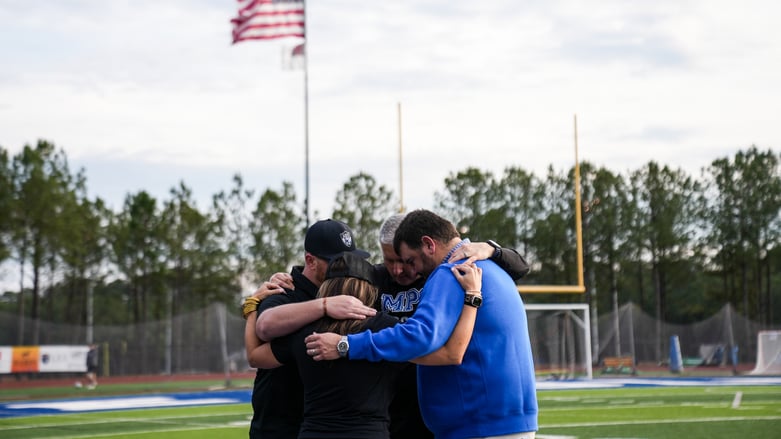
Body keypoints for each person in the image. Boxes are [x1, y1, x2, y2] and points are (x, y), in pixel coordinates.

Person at [256, 213, 531, 438]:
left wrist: (493, 250)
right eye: (391, 261)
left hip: (443, 418)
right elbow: (449, 352)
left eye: (407, 261)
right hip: (389, 421)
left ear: (428, 245)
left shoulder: (446, 272)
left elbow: (257, 352)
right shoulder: (373, 290)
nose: (401, 270)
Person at [248, 252, 482, 439]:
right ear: (370, 289)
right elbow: (450, 353)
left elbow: (255, 356)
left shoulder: (303, 330)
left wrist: (252, 306)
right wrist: (472, 297)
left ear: (326, 288)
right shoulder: (385, 327)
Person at [243, 219, 378, 439]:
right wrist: (323, 306)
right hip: (279, 427)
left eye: (349, 259)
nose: (344, 266)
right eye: (336, 261)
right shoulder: (283, 291)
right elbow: (265, 328)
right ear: (310, 260)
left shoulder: (348, 291)